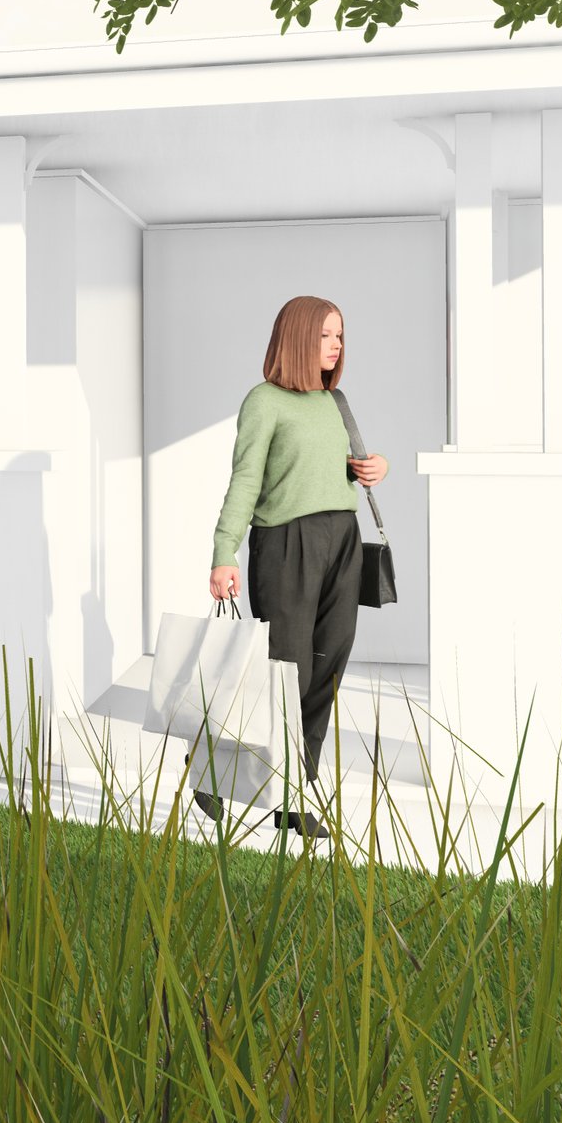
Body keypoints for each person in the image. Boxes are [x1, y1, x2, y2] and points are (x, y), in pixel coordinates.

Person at [207, 294, 388, 831]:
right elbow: (245, 480)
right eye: (327, 335)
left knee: (328, 663)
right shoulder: (264, 401)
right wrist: (224, 552)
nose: (337, 345)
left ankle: (295, 774)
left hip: (343, 541)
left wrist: (376, 465)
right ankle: (223, 778)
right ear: (299, 336)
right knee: (285, 671)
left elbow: (341, 468)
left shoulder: (337, 402)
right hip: (285, 545)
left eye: (340, 336)